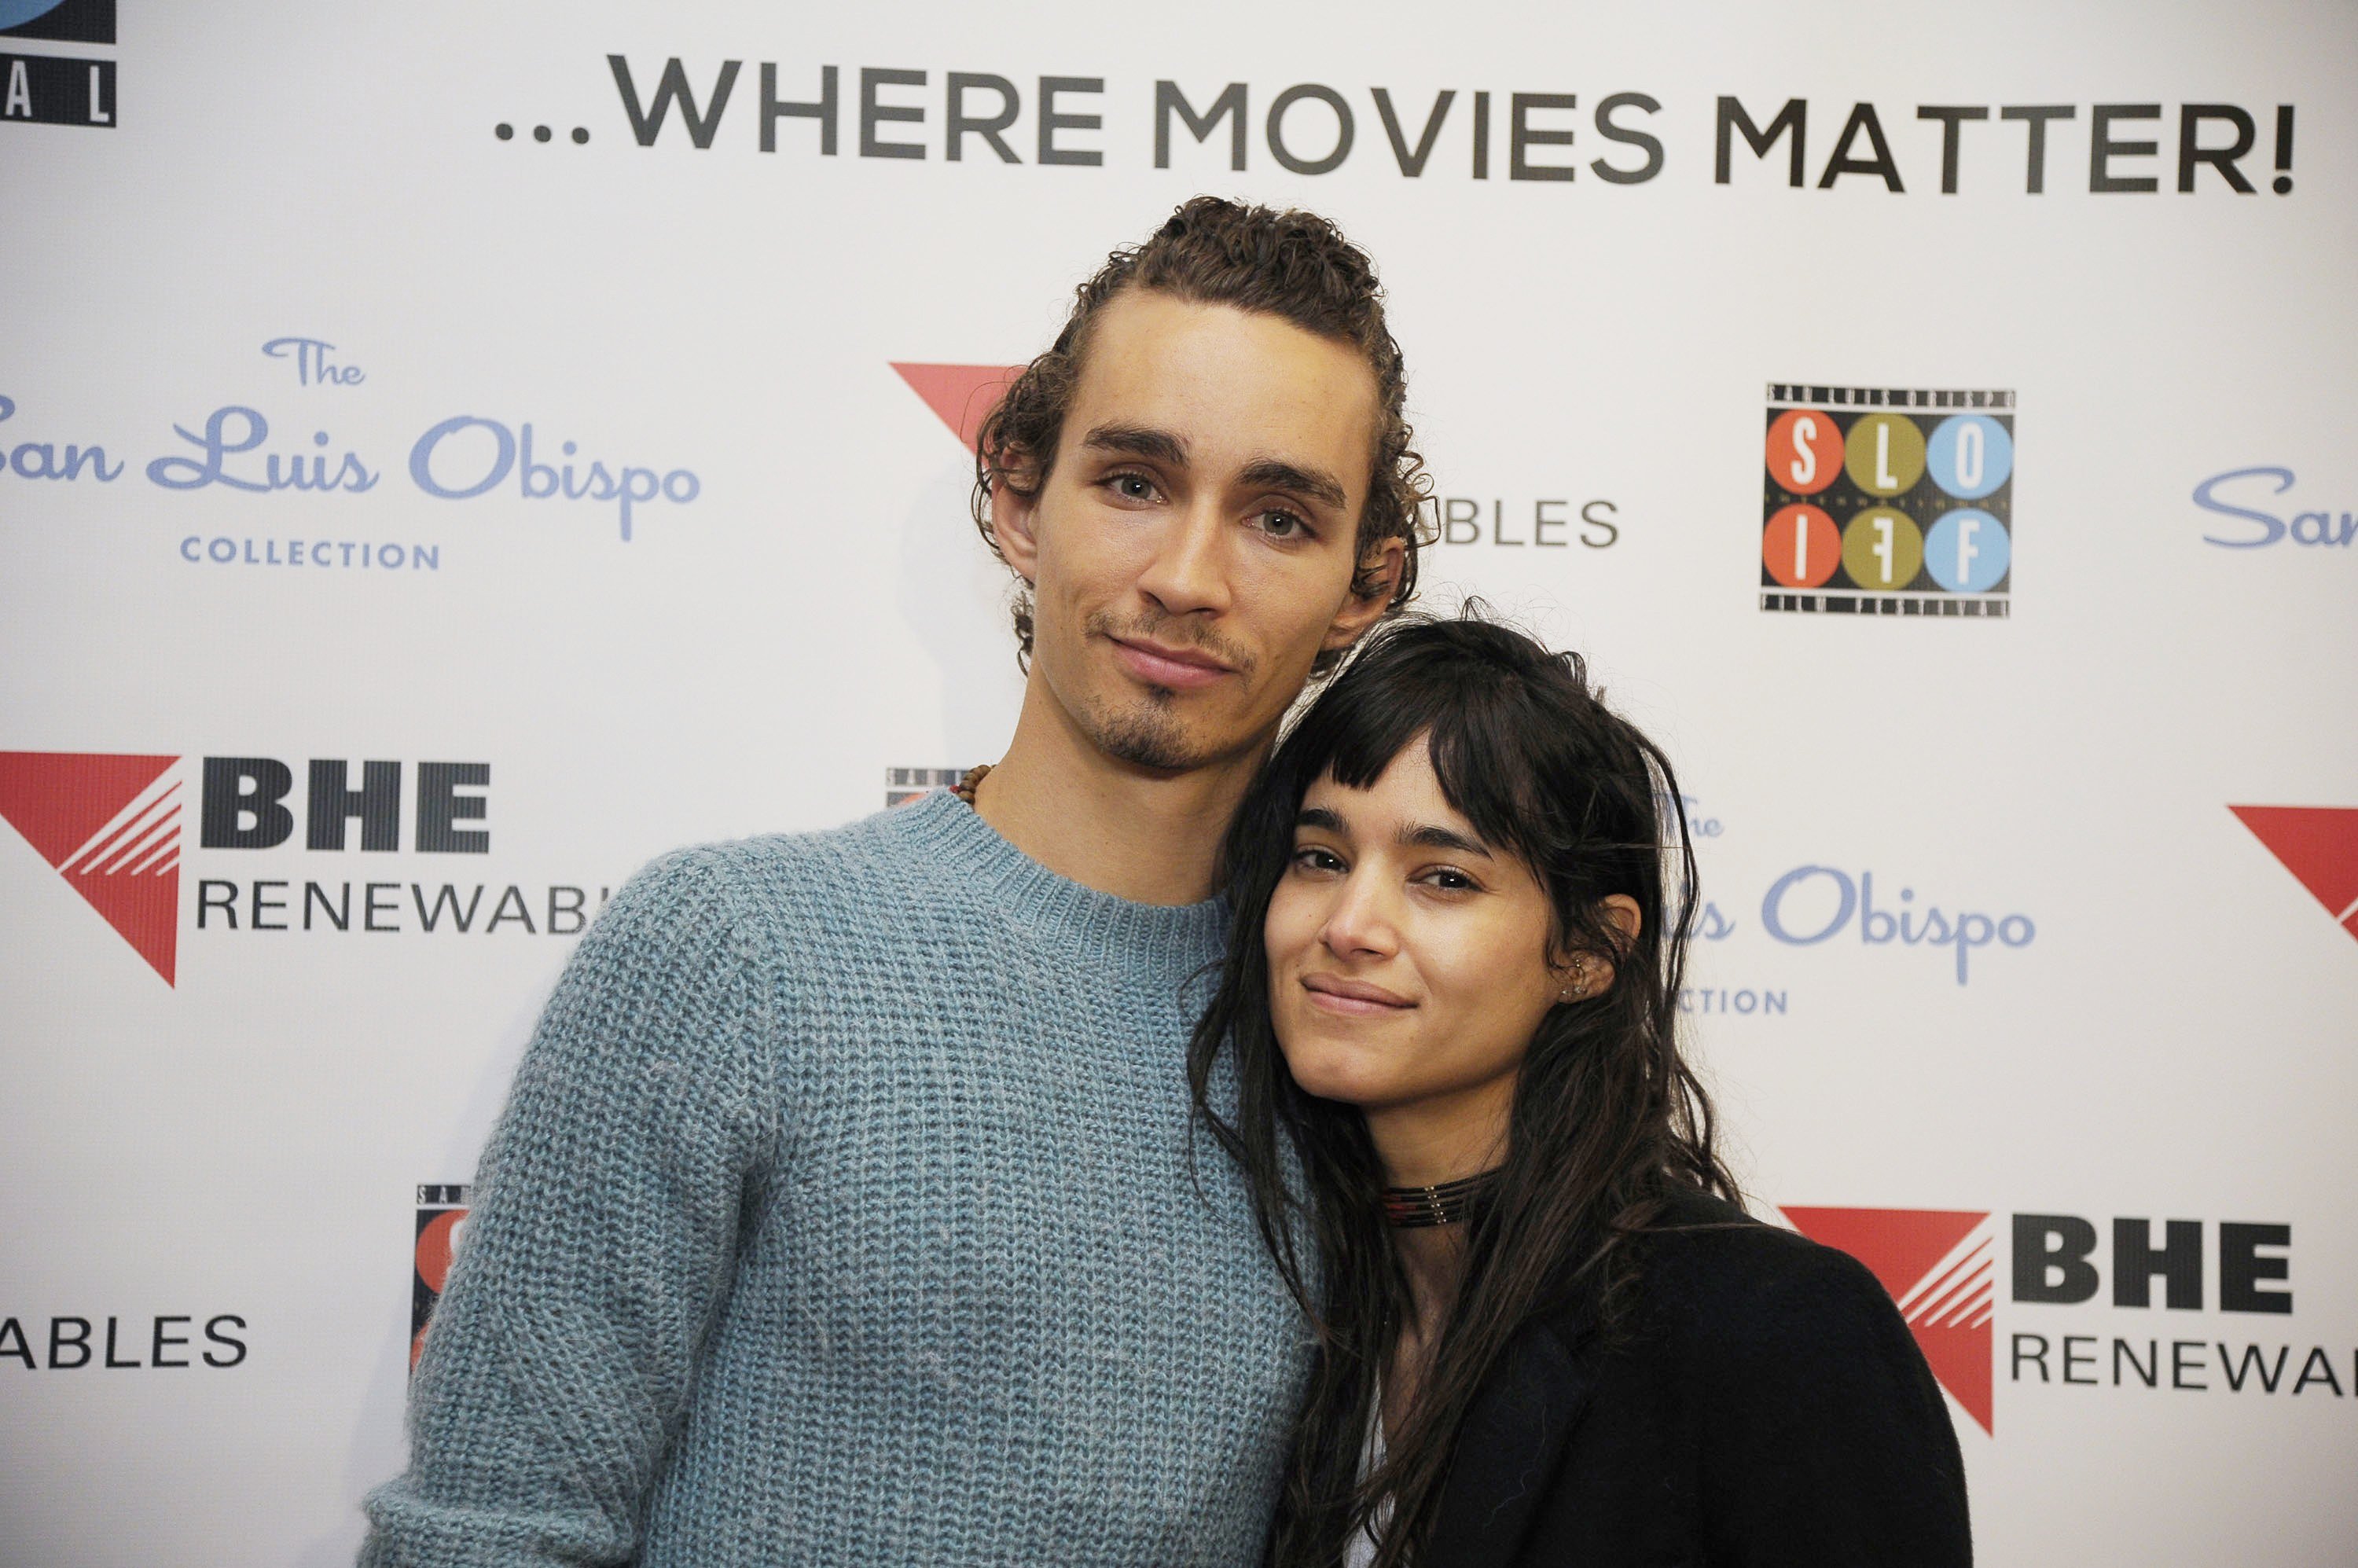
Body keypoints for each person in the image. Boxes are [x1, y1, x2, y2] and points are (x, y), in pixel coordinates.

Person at [359, 196, 1431, 1566]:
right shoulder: (732, 953)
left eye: (1280, 517)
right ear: (1016, 497)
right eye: (1133, 482)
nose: (1188, 576)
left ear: (1364, 586)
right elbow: (487, 1533)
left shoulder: (1345, 1022)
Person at [1189, 614, 1974, 1568]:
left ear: (1589, 953)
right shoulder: (1287, 1311)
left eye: (1442, 877)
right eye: (1322, 858)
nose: (1351, 924)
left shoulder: (1775, 1331)